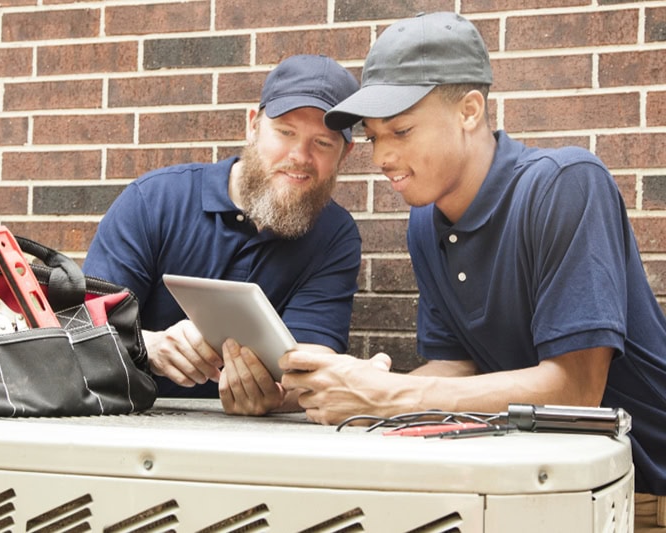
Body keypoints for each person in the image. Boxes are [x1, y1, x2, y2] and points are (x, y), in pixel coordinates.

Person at [278, 11, 666, 502]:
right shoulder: (426, 222)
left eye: (400, 131)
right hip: (538, 482)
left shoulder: (566, 184)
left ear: (469, 111)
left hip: (644, 487)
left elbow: (577, 390)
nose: (379, 158)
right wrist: (355, 386)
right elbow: (458, 366)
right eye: (374, 136)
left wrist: (388, 397)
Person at [83, 54, 362, 416]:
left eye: (323, 143)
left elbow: (314, 362)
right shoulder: (154, 200)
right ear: (252, 125)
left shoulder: (335, 235)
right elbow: (81, 323)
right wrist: (146, 347)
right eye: (285, 131)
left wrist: (278, 398)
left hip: (254, 443)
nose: (300, 156)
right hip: (126, 418)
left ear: (345, 154)